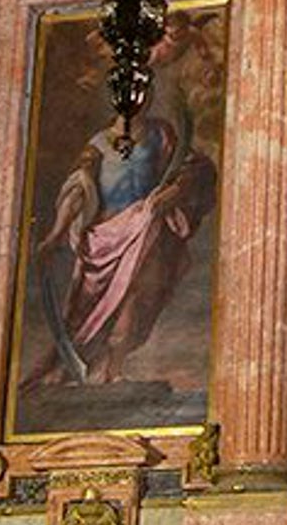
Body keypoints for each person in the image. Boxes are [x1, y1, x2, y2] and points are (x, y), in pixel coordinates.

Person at [23, 107, 216, 388]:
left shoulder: (161, 135)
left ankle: (112, 371)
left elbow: (193, 169)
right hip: (103, 238)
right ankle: (76, 371)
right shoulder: (99, 143)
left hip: (144, 231)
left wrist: (174, 191)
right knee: (82, 312)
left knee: (135, 300)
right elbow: (78, 189)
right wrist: (56, 234)